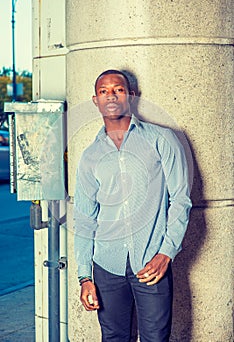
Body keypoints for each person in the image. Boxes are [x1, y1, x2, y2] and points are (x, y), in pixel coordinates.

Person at [74, 69, 192, 342]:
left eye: (118, 89)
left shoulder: (162, 139)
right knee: (113, 338)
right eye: (104, 91)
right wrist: (84, 276)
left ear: (131, 95)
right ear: (95, 100)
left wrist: (166, 252)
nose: (111, 96)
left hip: (151, 261)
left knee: (155, 338)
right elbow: (85, 218)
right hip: (106, 265)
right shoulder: (90, 156)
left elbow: (181, 199)